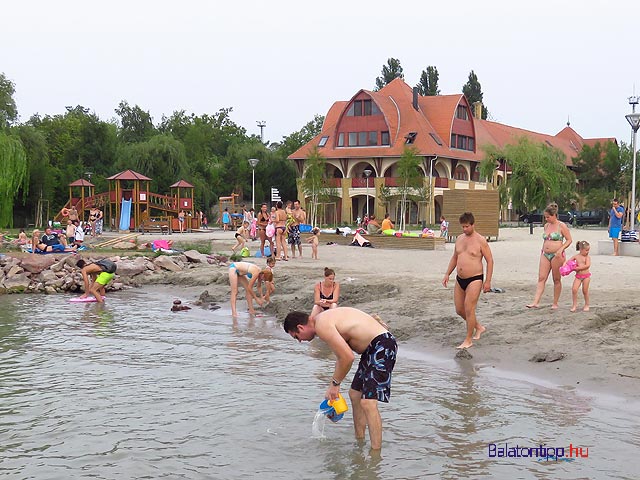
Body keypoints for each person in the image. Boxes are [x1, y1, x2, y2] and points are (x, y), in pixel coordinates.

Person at [283, 307, 397, 451]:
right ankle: (359, 444)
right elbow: (341, 358)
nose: (299, 341)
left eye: (296, 337)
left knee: (368, 402)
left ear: (300, 327)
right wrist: (332, 387)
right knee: (355, 394)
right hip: (371, 349)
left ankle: (375, 454)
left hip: (382, 345)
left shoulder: (321, 325)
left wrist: (335, 384)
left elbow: (347, 358)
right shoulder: (321, 321)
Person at [442, 212, 494, 349]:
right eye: (463, 227)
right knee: (459, 309)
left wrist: (487, 281)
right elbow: (455, 257)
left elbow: (490, 260)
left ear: (472, 224)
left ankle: (468, 339)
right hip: (460, 279)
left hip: (475, 278)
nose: (464, 229)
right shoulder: (459, 239)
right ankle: (479, 327)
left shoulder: (480, 240)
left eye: (467, 226)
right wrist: (447, 273)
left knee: (469, 308)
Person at [526, 203, 573, 309]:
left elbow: (569, 240)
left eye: (548, 217)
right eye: (545, 217)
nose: (546, 219)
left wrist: (561, 249)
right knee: (541, 277)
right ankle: (535, 301)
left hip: (557, 255)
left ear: (554, 215)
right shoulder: (546, 226)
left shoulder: (562, 226)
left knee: (556, 279)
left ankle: (555, 303)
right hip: (545, 254)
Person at [566, 240, 592, 312]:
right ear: (581, 249)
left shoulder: (587, 257)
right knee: (574, 289)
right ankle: (574, 305)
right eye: (586, 250)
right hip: (578, 276)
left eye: (588, 250)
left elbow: (587, 265)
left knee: (585, 290)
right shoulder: (576, 256)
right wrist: (569, 267)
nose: (588, 252)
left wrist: (577, 268)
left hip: (586, 276)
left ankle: (587, 304)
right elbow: (568, 261)